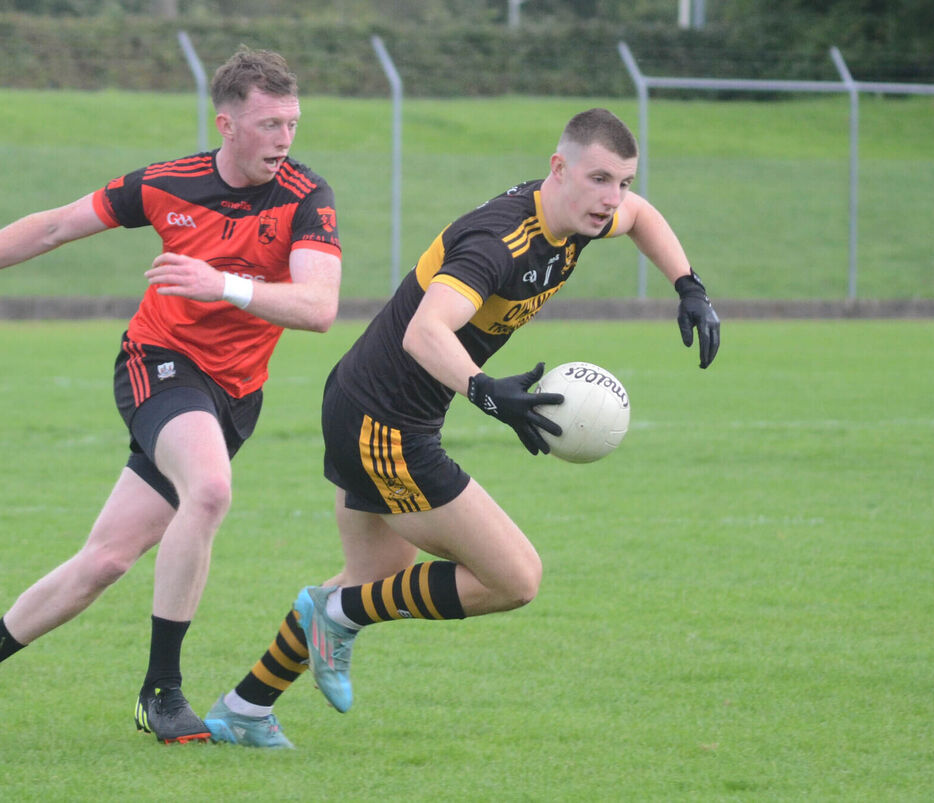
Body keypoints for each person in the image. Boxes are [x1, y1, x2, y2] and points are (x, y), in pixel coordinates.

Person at [201, 107, 720, 748]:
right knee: (513, 578)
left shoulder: (583, 215)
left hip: (366, 399)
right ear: (559, 169)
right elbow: (426, 331)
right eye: (600, 179)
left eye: (624, 181)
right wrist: (486, 392)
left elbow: (642, 218)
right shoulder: (502, 243)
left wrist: (688, 285)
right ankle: (333, 616)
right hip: (384, 421)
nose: (613, 199)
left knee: (375, 576)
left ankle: (243, 708)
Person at [0, 47, 342, 744]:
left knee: (102, 561)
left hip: (235, 394)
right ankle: (162, 692)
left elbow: (318, 307)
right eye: (269, 124)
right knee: (211, 490)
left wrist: (220, 283)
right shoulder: (169, 185)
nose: (284, 140)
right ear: (227, 124)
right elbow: (53, 225)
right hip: (158, 363)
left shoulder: (306, 197)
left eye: (292, 123)